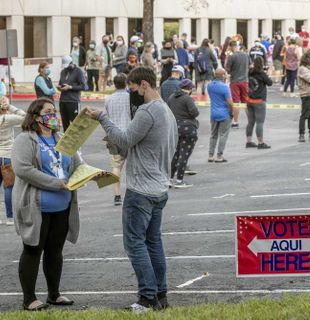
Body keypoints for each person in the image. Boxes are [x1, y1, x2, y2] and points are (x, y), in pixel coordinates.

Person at [86, 66, 178, 313]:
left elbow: (126, 139)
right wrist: (118, 146)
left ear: (144, 85)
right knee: (153, 242)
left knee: (135, 243)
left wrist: (102, 118)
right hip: (159, 186)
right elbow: (137, 145)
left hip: (141, 190)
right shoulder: (167, 111)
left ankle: (147, 298)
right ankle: (160, 296)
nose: (131, 94)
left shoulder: (147, 111)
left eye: (133, 88)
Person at [11, 98, 83, 311]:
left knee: (55, 251)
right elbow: (23, 169)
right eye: (49, 112)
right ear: (36, 117)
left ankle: (54, 294)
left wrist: (91, 173)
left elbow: (77, 164)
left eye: (55, 111)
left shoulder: (62, 138)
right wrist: (55, 183)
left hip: (62, 207)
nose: (54, 116)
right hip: (36, 207)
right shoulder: (26, 139)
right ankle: (29, 299)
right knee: (33, 250)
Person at [104, 74, 131, 205]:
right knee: (133, 165)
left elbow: (106, 119)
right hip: (130, 135)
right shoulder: (130, 98)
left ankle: (117, 195)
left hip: (114, 136)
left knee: (116, 167)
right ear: (126, 83)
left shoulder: (108, 99)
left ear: (114, 84)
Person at [167, 78, 199, 188]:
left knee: (175, 154)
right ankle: (180, 180)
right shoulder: (187, 98)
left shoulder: (171, 97)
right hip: (188, 129)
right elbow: (195, 113)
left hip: (174, 128)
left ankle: (170, 179)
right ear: (189, 89)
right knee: (184, 154)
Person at [0, 96, 25, 226]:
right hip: (6, 155)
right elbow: (25, 116)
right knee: (9, 186)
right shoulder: (6, 119)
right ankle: (10, 217)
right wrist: (10, 107)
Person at [207, 68, 233, 163]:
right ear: (222, 76)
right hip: (224, 113)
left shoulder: (209, 85)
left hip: (213, 112)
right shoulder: (225, 87)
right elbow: (230, 102)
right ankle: (219, 155)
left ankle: (210, 155)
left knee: (213, 134)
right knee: (223, 135)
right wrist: (232, 112)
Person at [246, 57, 273, 149]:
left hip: (249, 99)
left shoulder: (250, 72)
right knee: (259, 122)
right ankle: (260, 142)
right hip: (259, 100)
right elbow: (270, 83)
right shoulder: (262, 74)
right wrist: (267, 73)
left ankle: (248, 141)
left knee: (250, 122)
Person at [225, 40, 250, 128]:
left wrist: (227, 58)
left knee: (236, 102)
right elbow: (250, 66)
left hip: (235, 81)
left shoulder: (232, 56)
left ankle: (235, 122)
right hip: (245, 81)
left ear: (231, 47)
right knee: (246, 102)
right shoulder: (246, 55)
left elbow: (227, 69)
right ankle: (250, 121)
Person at [58, 55, 86, 132]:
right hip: (63, 101)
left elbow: (83, 86)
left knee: (75, 124)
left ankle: (76, 141)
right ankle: (66, 142)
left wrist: (70, 87)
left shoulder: (78, 71)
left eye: (67, 65)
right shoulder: (63, 72)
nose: (66, 67)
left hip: (73, 101)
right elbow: (61, 83)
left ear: (71, 63)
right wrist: (60, 87)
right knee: (65, 124)